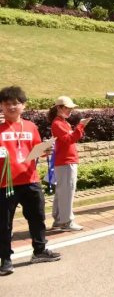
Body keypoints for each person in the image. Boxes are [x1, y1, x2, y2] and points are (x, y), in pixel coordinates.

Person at [0, 86, 61, 276]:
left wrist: (45, 150)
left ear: (23, 106)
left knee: (37, 217)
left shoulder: (31, 126)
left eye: (16, 103)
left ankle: (39, 251)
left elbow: (36, 149)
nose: (12, 107)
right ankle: (5, 259)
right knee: (4, 223)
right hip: (6, 184)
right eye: (7, 104)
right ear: (1, 106)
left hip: (30, 180)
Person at [48, 96, 90, 231]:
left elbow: (72, 138)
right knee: (67, 191)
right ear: (59, 108)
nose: (70, 110)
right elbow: (70, 139)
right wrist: (81, 126)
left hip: (65, 161)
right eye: (67, 108)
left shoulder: (62, 122)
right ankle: (66, 222)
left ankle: (59, 220)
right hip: (66, 161)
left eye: (71, 108)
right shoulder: (58, 123)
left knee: (62, 191)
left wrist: (79, 127)